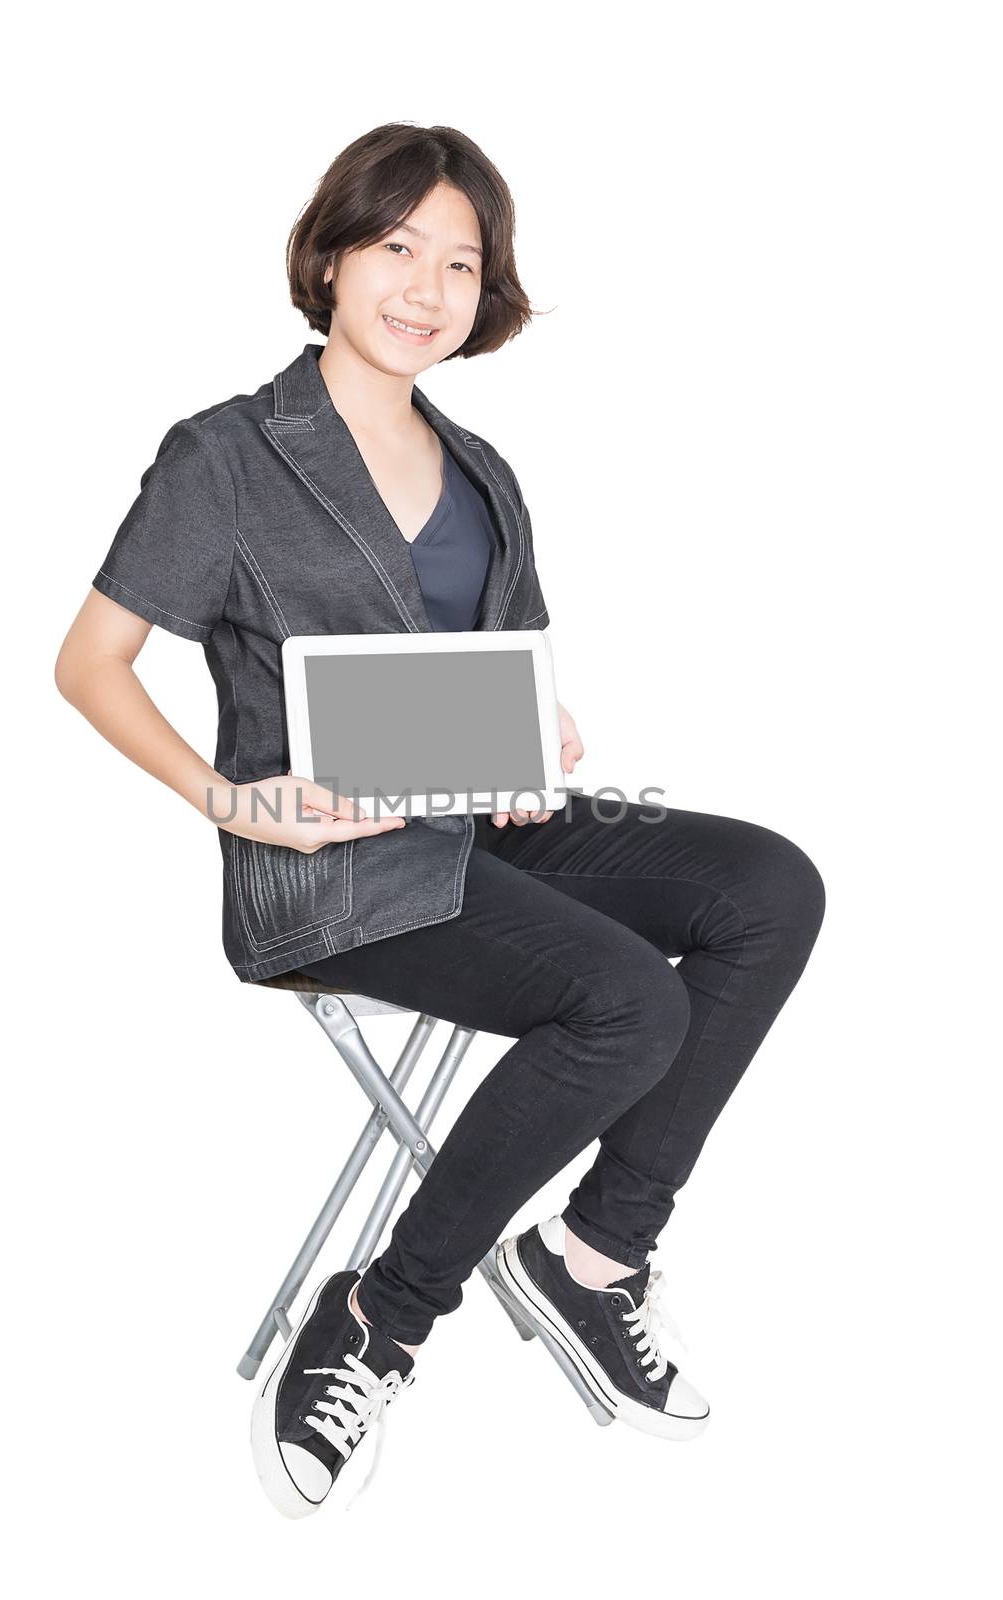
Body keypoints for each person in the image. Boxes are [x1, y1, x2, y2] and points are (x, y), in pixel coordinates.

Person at [55, 122, 825, 1519]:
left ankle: (592, 1256)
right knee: (621, 1006)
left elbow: (494, 679)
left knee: (766, 886)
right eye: (397, 245)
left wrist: (538, 735)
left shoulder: (482, 471)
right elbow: (88, 665)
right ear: (334, 258)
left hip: (479, 829)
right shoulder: (226, 455)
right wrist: (231, 800)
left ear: (489, 291)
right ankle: (384, 1316)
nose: (426, 285)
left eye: (459, 260)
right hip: (328, 862)